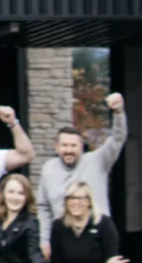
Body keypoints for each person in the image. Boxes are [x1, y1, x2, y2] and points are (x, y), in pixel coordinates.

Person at [39, 92, 127, 230]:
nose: (69, 150)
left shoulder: (97, 161)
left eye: (73, 146)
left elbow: (117, 139)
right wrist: (44, 240)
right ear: (56, 147)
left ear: (81, 147)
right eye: (64, 145)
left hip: (97, 234)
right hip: (63, 238)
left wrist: (119, 112)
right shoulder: (48, 169)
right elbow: (43, 208)